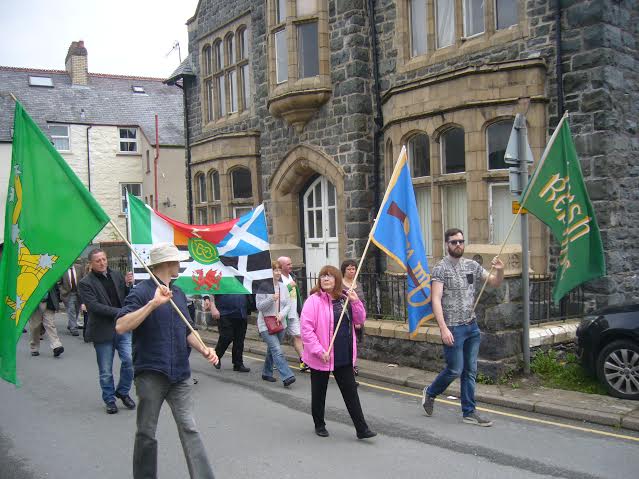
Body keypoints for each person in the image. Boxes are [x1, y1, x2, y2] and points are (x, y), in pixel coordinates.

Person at [115, 242, 217, 479]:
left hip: (180, 374)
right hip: (151, 373)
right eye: (177, 261)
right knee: (146, 432)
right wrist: (152, 304)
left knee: (190, 429)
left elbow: (188, 329)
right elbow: (121, 326)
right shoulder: (141, 292)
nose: (180, 265)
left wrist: (204, 349)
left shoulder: (179, 293)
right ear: (167, 263)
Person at [421, 228, 504, 427]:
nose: (458, 245)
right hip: (453, 328)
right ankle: (430, 392)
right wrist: (443, 328)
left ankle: (469, 412)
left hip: (471, 326)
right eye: (453, 242)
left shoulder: (472, 265)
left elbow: (493, 282)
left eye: (460, 241)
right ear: (447, 245)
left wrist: (500, 270)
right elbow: (436, 299)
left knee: (470, 371)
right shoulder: (440, 268)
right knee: (455, 369)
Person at [300, 265, 376, 440]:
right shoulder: (313, 300)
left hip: (343, 354)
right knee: (319, 392)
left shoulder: (345, 299)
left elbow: (359, 320)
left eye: (329, 276)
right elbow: (307, 330)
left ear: (337, 280)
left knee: (351, 392)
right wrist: (319, 351)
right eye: (322, 276)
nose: (325, 279)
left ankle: (362, 429)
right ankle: (319, 424)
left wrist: (356, 302)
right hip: (322, 356)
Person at [78, 248, 135, 415]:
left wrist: (128, 286)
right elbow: (94, 307)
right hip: (102, 330)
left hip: (122, 327)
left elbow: (126, 298)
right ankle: (109, 399)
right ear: (91, 263)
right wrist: (120, 312)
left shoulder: (117, 275)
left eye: (104, 259)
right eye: (98, 261)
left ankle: (123, 391)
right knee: (105, 370)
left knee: (130, 361)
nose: (102, 263)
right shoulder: (85, 283)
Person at [255, 260, 295, 387]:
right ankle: (287, 376)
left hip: (280, 323)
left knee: (272, 349)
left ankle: (267, 372)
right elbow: (259, 307)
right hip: (265, 324)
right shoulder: (262, 287)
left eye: (279, 270)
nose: (278, 273)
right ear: (270, 272)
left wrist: (281, 314)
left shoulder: (283, 287)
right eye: (275, 270)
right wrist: (271, 299)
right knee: (277, 349)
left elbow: (288, 304)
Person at [277, 256, 307, 371]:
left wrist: (300, 310)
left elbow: (296, 296)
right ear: (281, 266)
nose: (291, 266)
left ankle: (303, 361)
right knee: (277, 340)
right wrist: (289, 287)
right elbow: (276, 294)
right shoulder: (277, 278)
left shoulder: (292, 276)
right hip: (281, 314)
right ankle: (273, 361)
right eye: (288, 264)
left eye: (291, 263)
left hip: (293, 313)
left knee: (298, 336)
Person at [212, 293, 251, 372]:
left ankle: (238, 364)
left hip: (241, 312)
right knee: (226, 336)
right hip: (224, 312)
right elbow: (210, 291)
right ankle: (216, 356)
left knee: (239, 340)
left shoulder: (243, 280)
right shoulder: (220, 279)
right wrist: (213, 307)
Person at [341, 259, 365, 376]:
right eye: (349, 269)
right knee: (347, 343)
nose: (351, 271)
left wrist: (360, 320)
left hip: (357, 319)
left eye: (353, 269)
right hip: (345, 319)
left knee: (355, 344)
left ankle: (352, 364)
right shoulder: (340, 284)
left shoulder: (359, 284)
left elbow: (363, 302)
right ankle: (350, 367)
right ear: (344, 270)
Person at [29, 284, 64, 358]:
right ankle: (34, 347)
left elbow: (55, 288)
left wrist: (57, 300)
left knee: (50, 324)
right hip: (35, 303)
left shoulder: (49, 273)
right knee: (35, 326)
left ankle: (56, 345)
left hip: (49, 302)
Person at [59, 259, 86, 336]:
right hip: (68, 293)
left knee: (77, 309)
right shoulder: (62, 269)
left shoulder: (79, 268)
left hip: (78, 293)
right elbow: (59, 282)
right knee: (71, 310)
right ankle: (74, 328)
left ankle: (70, 324)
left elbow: (84, 279)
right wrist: (62, 290)